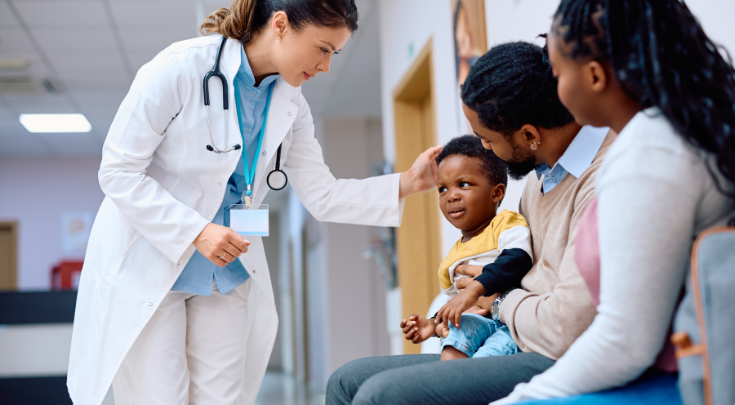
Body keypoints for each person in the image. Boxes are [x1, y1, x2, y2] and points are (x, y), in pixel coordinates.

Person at [66, 1, 440, 404]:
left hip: (229, 272)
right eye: (323, 49)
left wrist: (408, 182)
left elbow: (323, 194)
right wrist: (195, 230)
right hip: (154, 262)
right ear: (280, 24)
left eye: (335, 54)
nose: (326, 66)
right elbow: (118, 172)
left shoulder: (292, 105)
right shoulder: (180, 68)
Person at [326, 41, 615, 405]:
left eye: (488, 139)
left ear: (528, 135)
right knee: (346, 380)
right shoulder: (541, 181)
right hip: (510, 330)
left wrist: (495, 299)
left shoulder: (602, 181)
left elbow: (566, 326)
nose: (486, 149)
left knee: (381, 396)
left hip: (553, 352)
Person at [493, 1, 735, 403]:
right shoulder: (692, 125)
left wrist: (522, 398)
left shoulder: (649, 151)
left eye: (557, 73)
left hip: (679, 380)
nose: (555, 88)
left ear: (593, 75)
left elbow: (625, 341)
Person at [399, 135, 533, 361]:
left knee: (488, 357)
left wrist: (474, 290)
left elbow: (518, 259)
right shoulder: (451, 260)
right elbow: (456, 307)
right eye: (442, 189)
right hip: (476, 324)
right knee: (453, 342)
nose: (451, 196)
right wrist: (433, 325)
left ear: (496, 193)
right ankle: (450, 387)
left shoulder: (506, 224)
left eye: (463, 185)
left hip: (511, 324)